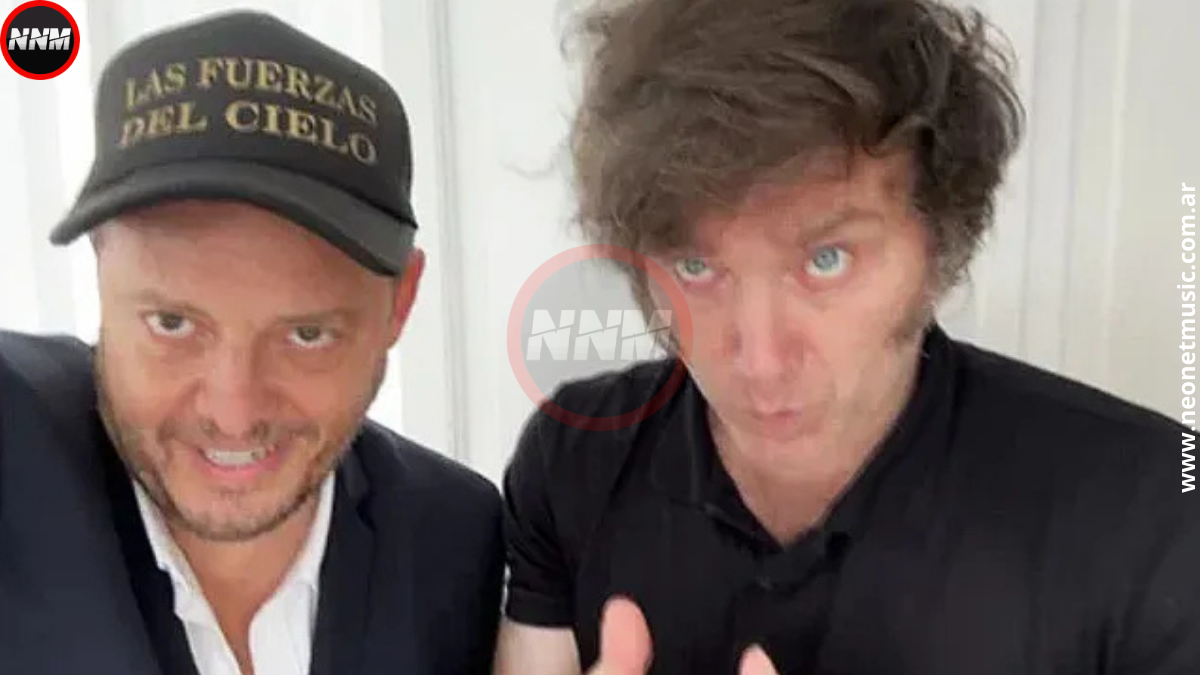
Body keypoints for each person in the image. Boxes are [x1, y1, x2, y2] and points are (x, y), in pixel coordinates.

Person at [494, 0, 1200, 674]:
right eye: (697, 268)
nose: (761, 361)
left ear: (940, 243)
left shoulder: (1156, 512)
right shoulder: (576, 460)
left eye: (826, 260)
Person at [0, 11, 504, 675]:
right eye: (172, 323)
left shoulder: (454, 540)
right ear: (101, 265)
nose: (233, 414)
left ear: (399, 304)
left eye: (307, 334)